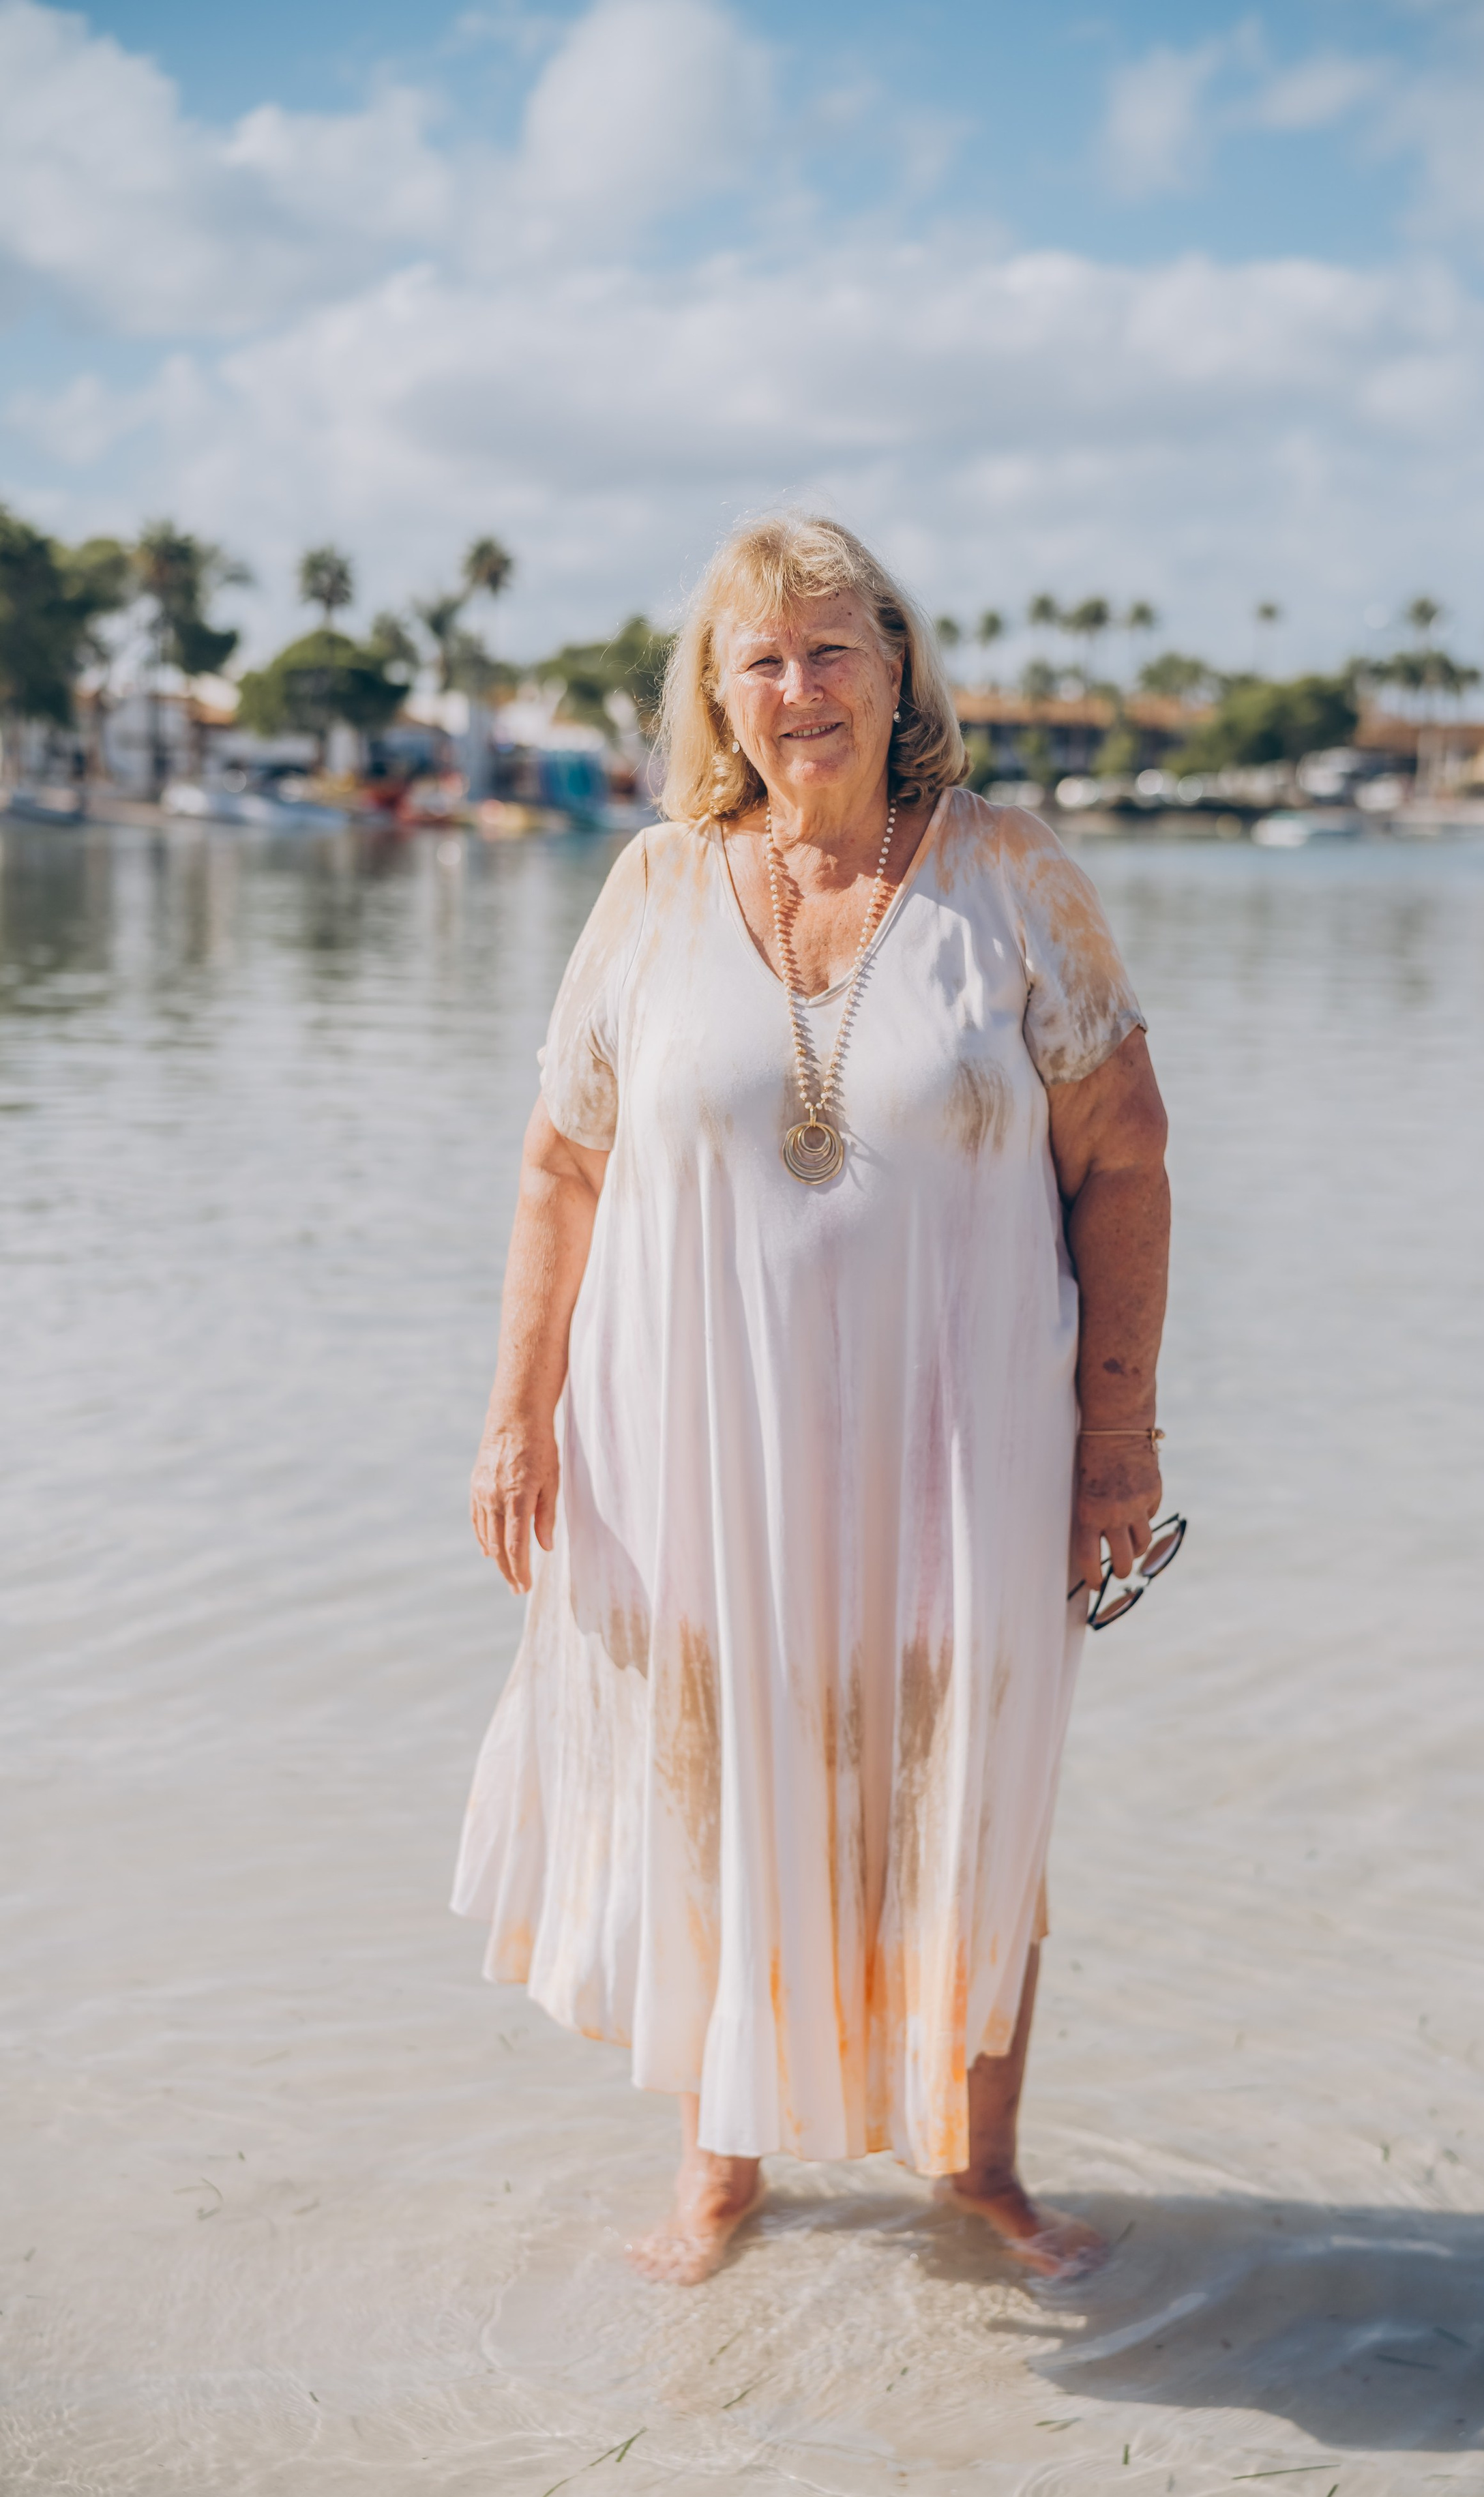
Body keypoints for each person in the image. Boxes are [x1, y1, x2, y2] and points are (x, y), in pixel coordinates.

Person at [457, 514, 1171, 2285]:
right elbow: (560, 1166)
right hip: (695, 1447)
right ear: (717, 696)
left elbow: (1127, 1160)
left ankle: (980, 2169)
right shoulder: (653, 890)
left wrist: (1120, 1441)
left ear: (897, 665)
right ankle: (721, 2169)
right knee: (717, 1781)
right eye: (762, 659)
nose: (802, 688)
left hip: (968, 1454)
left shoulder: (1011, 877)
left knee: (970, 1787)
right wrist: (517, 1415)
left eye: (834, 646)